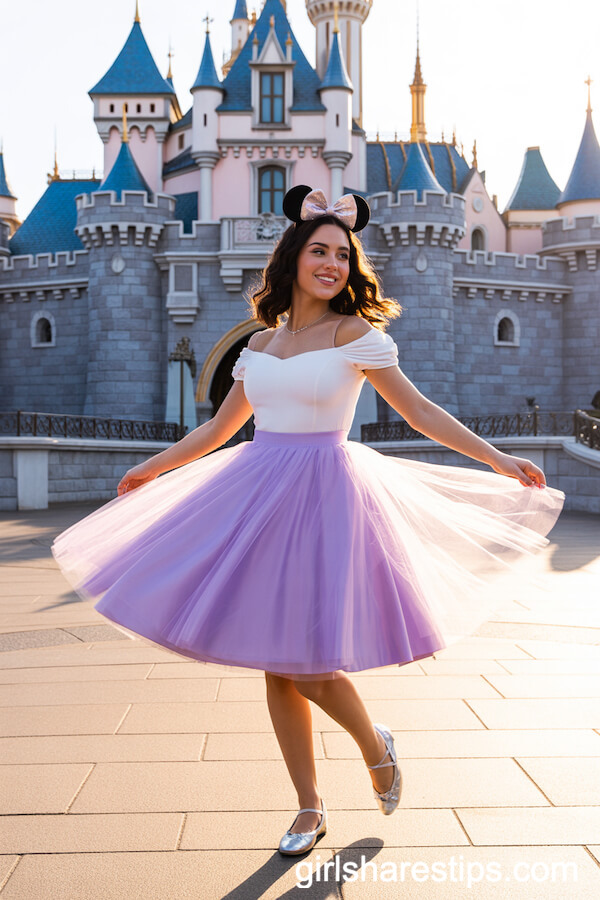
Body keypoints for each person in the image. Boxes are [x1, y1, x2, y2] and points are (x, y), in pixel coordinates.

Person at [52, 185, 565, 857]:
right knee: (277, 663)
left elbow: (420, 412)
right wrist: (152, 467)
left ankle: (374, 744)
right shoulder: (261, 343)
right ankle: (308, 806)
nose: (333, 264)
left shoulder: (355, 334)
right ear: (293, 257)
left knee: (314, 665)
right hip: (256, 497)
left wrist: (497, 458)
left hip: (326, 499)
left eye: (344, 256)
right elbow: (220, 428)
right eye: (320, 251)